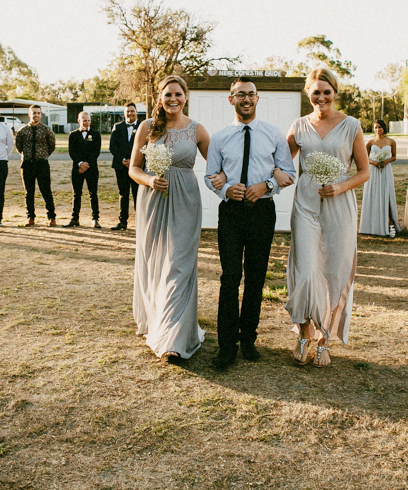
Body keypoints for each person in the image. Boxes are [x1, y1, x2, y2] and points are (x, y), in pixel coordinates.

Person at [204, 77, 296, 368]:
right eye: (240, 94)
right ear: (231, 100)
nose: (246, 99)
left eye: (251, 94)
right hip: (231, 213)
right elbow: (210, 175)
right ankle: (226, 346)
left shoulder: (273, 134)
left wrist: (266, 186)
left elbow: (288, 171)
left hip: (261, 213)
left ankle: (248, 340)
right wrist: (224, 189)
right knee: (230, 278)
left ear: (257, 99)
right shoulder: (219, 138)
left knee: (255, 278)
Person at [286, 68, 370, 368]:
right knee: (306, 270)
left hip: (340, 205)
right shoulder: (299, 126)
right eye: (316, 92)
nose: (321, 97)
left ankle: (324, 339)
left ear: (335, 92)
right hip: (306, 205)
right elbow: (281, 162)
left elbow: (364, 171)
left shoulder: (351, 126)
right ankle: (304, 334)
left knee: (335, 271)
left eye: (326, 91)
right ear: (308, 93)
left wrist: (340, 185)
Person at [130, 75, 211, 362]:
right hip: (153, 200)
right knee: (155, 262)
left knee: (178, 264)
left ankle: (174, 339)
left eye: (178, 94)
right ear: (159, 98)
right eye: (167, 95)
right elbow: (134, 168)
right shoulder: (147, 127)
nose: (173, 99)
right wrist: (150, 181)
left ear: (185, 97)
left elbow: (217, 166)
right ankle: (157, 321)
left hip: (186, 201)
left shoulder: (197, 130)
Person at [14, 105, 57, 227]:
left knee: (46, 191)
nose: (36, 115)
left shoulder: (46, 130)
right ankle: (30, 217)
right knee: (29, 192)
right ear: (29, 114)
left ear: (41, 115)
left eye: (38, 113)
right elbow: (19, 147)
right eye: (34, 113)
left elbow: (52, 145)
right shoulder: (22, 131)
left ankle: (52, 217)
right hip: (27, 164)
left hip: (42, 163)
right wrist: (27, 155)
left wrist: (42, 154)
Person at [358, 119, 399, 237]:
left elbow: (395, 156)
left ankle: (390, 224)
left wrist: (386, 161)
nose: (377, 130)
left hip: (386, 170)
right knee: (373, 195)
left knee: (387, 195)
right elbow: (364, 158)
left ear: (384, 128)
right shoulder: (370, 142)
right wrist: (374, 162)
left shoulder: (391, 141)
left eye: (379, 127)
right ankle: (372, 225)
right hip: (374, 171)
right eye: (375, 128)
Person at [66, 111, 102, 228]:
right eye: (84, 120)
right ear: (79, 121)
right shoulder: (73, 135)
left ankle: (95, 218)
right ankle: (75, 218)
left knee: (93, 194)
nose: (86, 123)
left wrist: (86, 165)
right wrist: (80, 164)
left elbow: (96, 152)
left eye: (88, 120)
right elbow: (72, 152)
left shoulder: (96, 134)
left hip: (91, 168)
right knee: (77, 194)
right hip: (77, 169)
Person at [109, 102, 141, 231]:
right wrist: (123, 159)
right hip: (121, 166)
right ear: (124, 113)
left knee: (137, 194)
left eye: (132, 111)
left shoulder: (142, 126)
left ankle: (140, 223)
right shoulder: (117, 127)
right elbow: (113, 146)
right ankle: (123, 221)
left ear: (136, 112)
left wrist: (133, 161)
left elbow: (145, 146)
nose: (130, 113)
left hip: (137, 167)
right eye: (127, 111)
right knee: (123, 194)